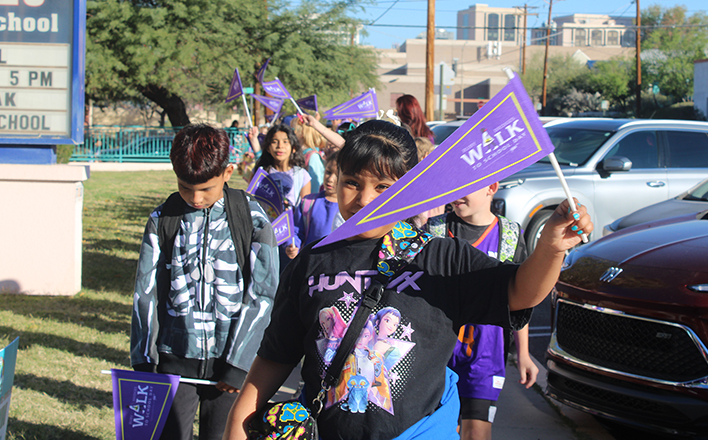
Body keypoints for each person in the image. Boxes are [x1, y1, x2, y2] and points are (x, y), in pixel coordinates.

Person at [222, 119, 592, 440]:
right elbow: (275, 357)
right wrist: (237, 424)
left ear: (409, 190)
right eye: (352, 182)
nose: (364, 199)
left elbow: (519, 294)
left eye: (383, 187)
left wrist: (551, 248)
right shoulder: (313, 259)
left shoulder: (441, 256)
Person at [131, 123, 280, 440]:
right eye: (185, 188)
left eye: (206, 189)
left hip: (230, 366)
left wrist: (238, 363)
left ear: (227, 172)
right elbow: (146, 291)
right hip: (174, 363)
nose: (195, 198)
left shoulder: (251, 218)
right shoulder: (162, 219)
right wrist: (145, 359)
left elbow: (263, 294)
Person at [425, 183, 538, 440]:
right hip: (439, 352)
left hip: (486, 356)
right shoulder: (434, 229)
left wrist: (524, 353)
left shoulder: (509, 236)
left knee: (477, 432)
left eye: (465, 186)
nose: (455, 193)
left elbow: (520, 300)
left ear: (492, 187)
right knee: (440, 430)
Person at [285, 152, 340, 260]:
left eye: (338, 175)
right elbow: (296, 230)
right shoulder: (308, 202)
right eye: (328, 172)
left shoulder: (350, 208)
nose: (330, 178)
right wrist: (293, 245)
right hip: (309, 263)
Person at [246, 123, 312, 209]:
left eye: (285, 142)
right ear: (268, 148)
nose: (280, 146)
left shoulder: (302, 176)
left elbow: (305, 210)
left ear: (294, 148)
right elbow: (251, 202)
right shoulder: (259, 173)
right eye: (274, 142)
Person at [294, 118, 328, 193]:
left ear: (302, 133)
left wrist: (309, 203)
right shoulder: (299, 154)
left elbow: (316, 184)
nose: (293, 132)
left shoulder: (313, 157)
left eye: (294, 129)